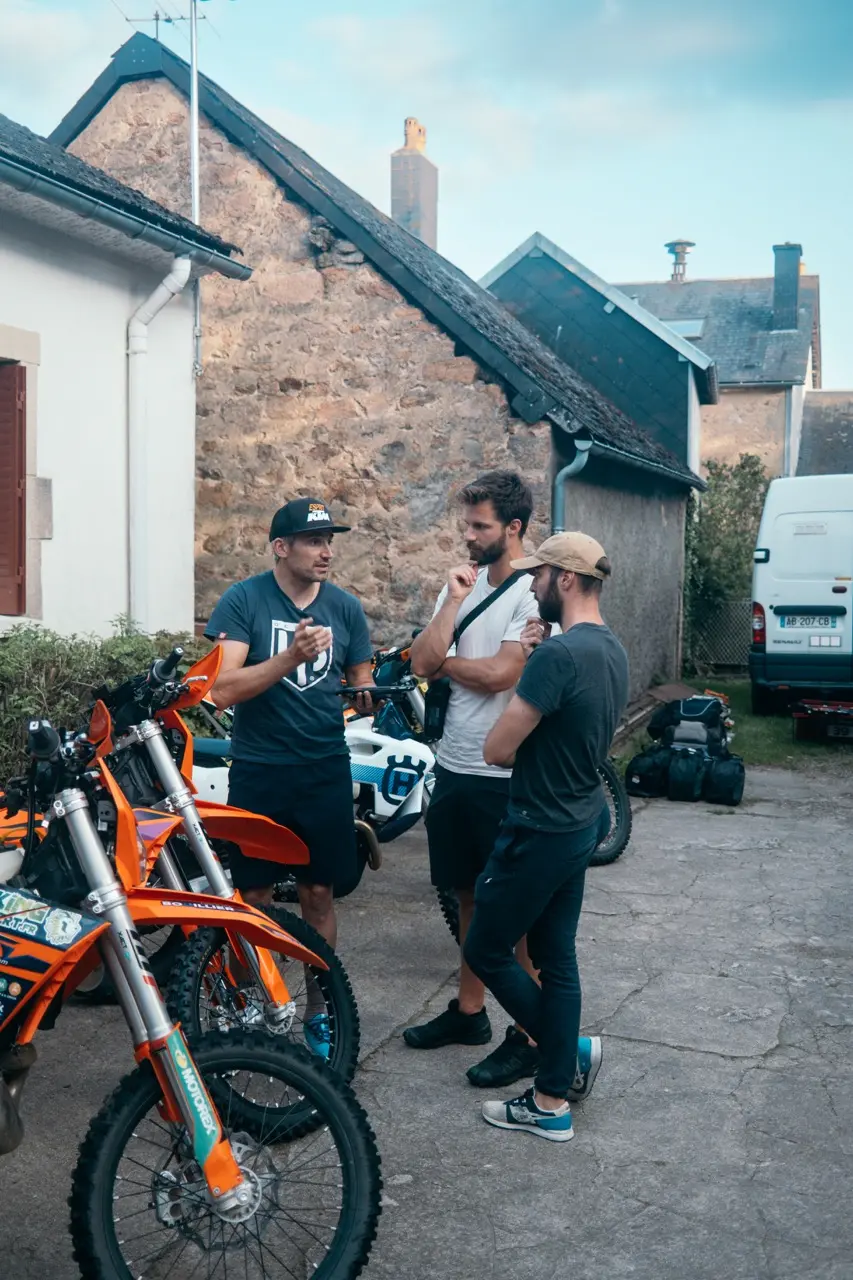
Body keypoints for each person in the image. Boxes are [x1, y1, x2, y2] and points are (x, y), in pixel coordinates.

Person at [464, 531, 629, 1142]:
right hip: (580, 820)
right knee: (556, 956)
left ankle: (556, 1082)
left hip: (539, 826)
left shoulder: (557, 656)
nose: (531, 587)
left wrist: (531, 666)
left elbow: (497, 748)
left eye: (537, 576)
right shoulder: (611, 648)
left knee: (486, 949)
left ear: (565, 578)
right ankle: (563, 1071)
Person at [205, 497, 373, 1058]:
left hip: (324, 769)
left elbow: (359, 676)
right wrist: (290, 658)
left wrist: (366, 692)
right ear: (281, 547)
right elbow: (221, 689)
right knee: (252, 894)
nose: (326, 552)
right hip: (260, 769)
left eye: (330, 541)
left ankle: (320, 1011)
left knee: (318, 893)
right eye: (313, 541)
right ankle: (242, 1002)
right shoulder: (244, 600)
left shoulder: (345, 608)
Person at [402, 470, 546, 1087]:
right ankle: (469, 1013)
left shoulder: (535, 591)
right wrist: (454, 605)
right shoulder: (459, 584)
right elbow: (419, 661)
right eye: (467, 524)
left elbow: (501, 675)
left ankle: (531, 1033)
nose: (468, 535)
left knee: (515, 911)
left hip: (502, 770)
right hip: (455, 764)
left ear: (513, 528)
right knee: (466, 894)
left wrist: (447, 664)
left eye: (479, 526)